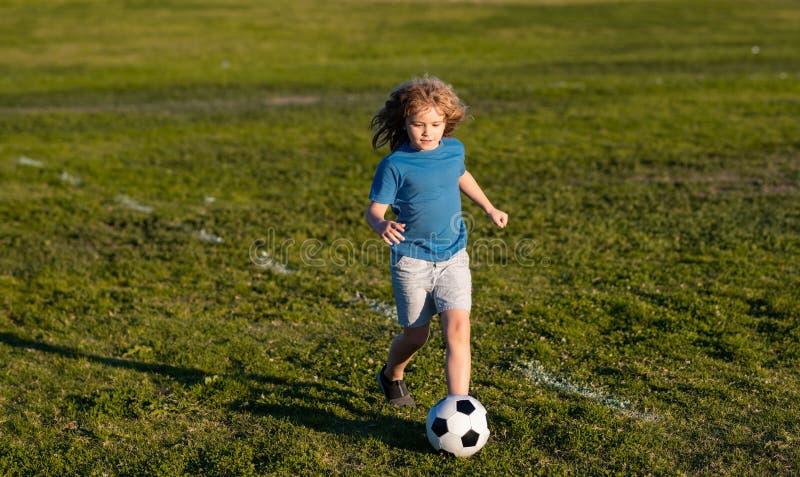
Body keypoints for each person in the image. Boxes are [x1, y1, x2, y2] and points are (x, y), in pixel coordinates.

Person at [366, 76, 508, 406]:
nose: (427, 132)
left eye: (435, 124)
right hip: (411, 261)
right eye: (419, 124)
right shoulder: (394, 165)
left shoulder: (453, 150)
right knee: (417, 335)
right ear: (405, 122)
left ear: (447, 122)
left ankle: (458, 404)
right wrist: (380, 224)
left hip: (453, 256)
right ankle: (391, 374)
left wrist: (489, 207)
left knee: (458, 329)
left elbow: (460, 174)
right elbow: (374, 210)